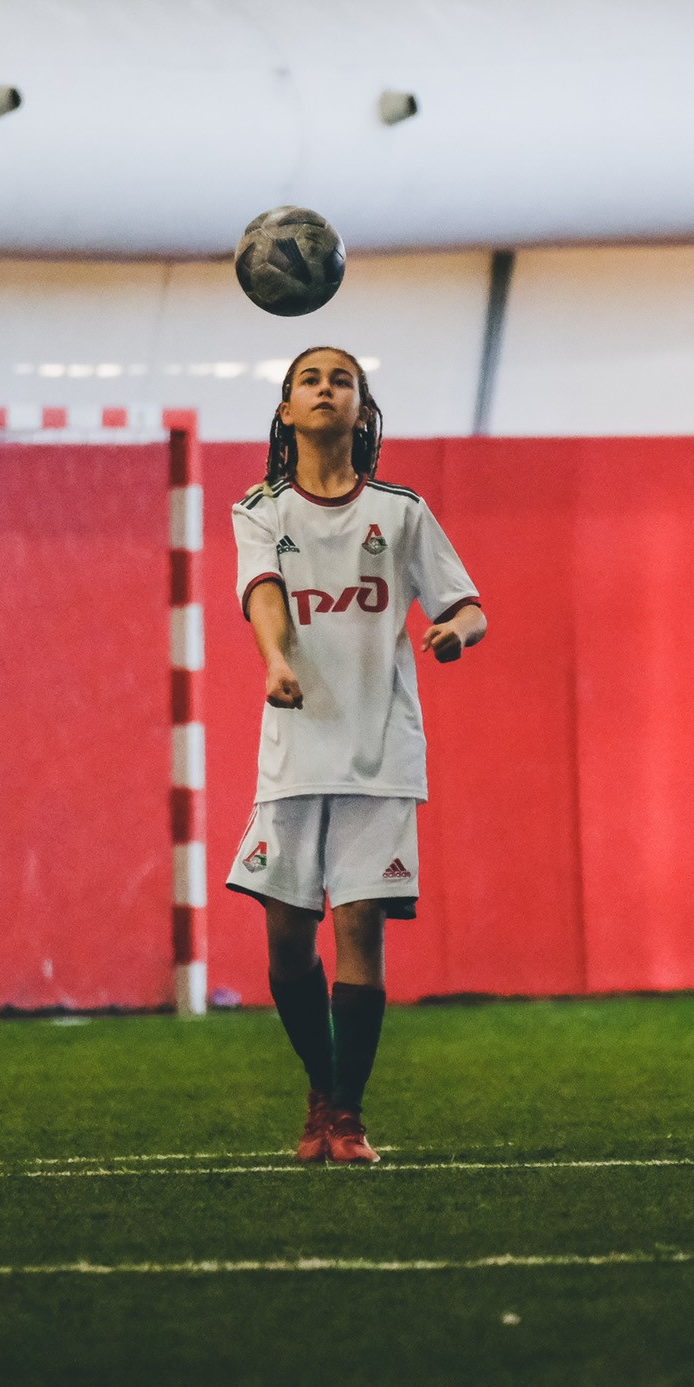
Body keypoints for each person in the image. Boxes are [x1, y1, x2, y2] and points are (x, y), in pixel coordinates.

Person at [227, 345, 487, 1164]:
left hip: (381, 755)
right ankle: (321, 1083)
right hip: (295, 754)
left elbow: (471, 606)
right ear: (286, 411)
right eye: (311, 379)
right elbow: (263, 592)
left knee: (362, 928)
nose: (327, 389)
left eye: (343, 379)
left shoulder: (402, 512)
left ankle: (345, 1116)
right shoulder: (263, 510)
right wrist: (275, 660)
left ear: (361, 410)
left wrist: (454, 630)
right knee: (284, 941)